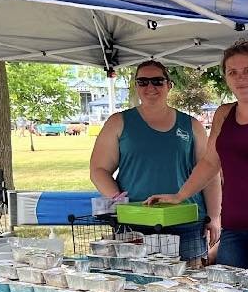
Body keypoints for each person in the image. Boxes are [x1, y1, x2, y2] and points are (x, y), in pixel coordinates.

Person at [146, 40, 248, 272]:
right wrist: (180, 195)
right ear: (226, 77)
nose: (240, 78)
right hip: (233, 229)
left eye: (247, 71)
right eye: (232, 72)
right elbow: (210, 162)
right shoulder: (224, 114)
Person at [89, 59, 220, 263]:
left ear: (169, 85)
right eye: (143, 82)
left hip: (187, 222)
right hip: (134, 222)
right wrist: (117, 199)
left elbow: (210, 174)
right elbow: (98, 169)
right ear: (136, 86)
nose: (150, 87)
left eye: (158, 81)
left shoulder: (191, 125)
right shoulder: (118, 122)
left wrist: (214, 216)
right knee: (136, 287)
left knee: (189, 284)